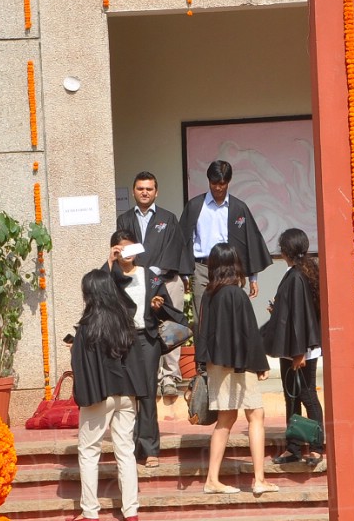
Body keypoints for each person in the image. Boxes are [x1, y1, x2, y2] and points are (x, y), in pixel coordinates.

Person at [194, 242, 278, 495]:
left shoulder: (210, 294)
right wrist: (260, 364)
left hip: (217, 364)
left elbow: (203, 332)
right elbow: (249, 333)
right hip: (239, 366)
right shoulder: (236, 294)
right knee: (256, 415)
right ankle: (259, 479)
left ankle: (212, 479)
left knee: (225, 419)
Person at [65, 269, 141, 521]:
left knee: (88, 451)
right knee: (125, 451)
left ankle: (90, 511)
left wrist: (74, 347)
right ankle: (130, 510)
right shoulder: (125, 321)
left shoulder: (86, 328)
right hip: (127, 392)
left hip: (100, 395)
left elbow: (83, 365)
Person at [107, 228, 185, 469]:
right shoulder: (109, 276)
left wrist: (157, 305)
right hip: (121, 341)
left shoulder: (149, 276)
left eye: (131, 247)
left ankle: (150, 448)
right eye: (121, 248)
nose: (127, 253)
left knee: (148, 393)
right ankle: (128, 446)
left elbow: (166, 308)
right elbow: (98, 295)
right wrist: (109, 263)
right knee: (126, 396)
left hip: (147, 339)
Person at [116, 171, 187, 397]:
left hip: (167, 278)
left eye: (149, 188)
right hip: (138, 281)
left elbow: (175, 247)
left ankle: (170, 377)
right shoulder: (124, 219)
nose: (145, 192)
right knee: (145, 327)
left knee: (171, 326)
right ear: (134, 191)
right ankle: (150, 376)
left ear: (157, 192)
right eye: (140, 188)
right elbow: (124, 249)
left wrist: (157, 270)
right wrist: (142, 273)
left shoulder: (168, 218)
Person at [179, 160, 271, 329]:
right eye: (214, 183)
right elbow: (183, 240)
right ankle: (204, 356)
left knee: (230, 318)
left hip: (230, 269)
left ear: (228, 182)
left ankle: (229, 355)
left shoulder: (238, 208)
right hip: (201, 269)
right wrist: (185, 274)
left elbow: (249, 241)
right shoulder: (195, 206)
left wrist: (253, 278)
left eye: (222, 183)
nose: (218, 188)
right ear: (209, 181)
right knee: (202, 320)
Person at [262, 228, 325, 465]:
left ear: (286, 250)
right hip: (294, 347)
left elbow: (300, 316)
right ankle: (294, 448)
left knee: (307, 395)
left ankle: (317, 447)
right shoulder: (301, 273)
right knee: (292, 398)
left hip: (299, 349)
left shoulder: (297, 276)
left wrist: (299, 353)